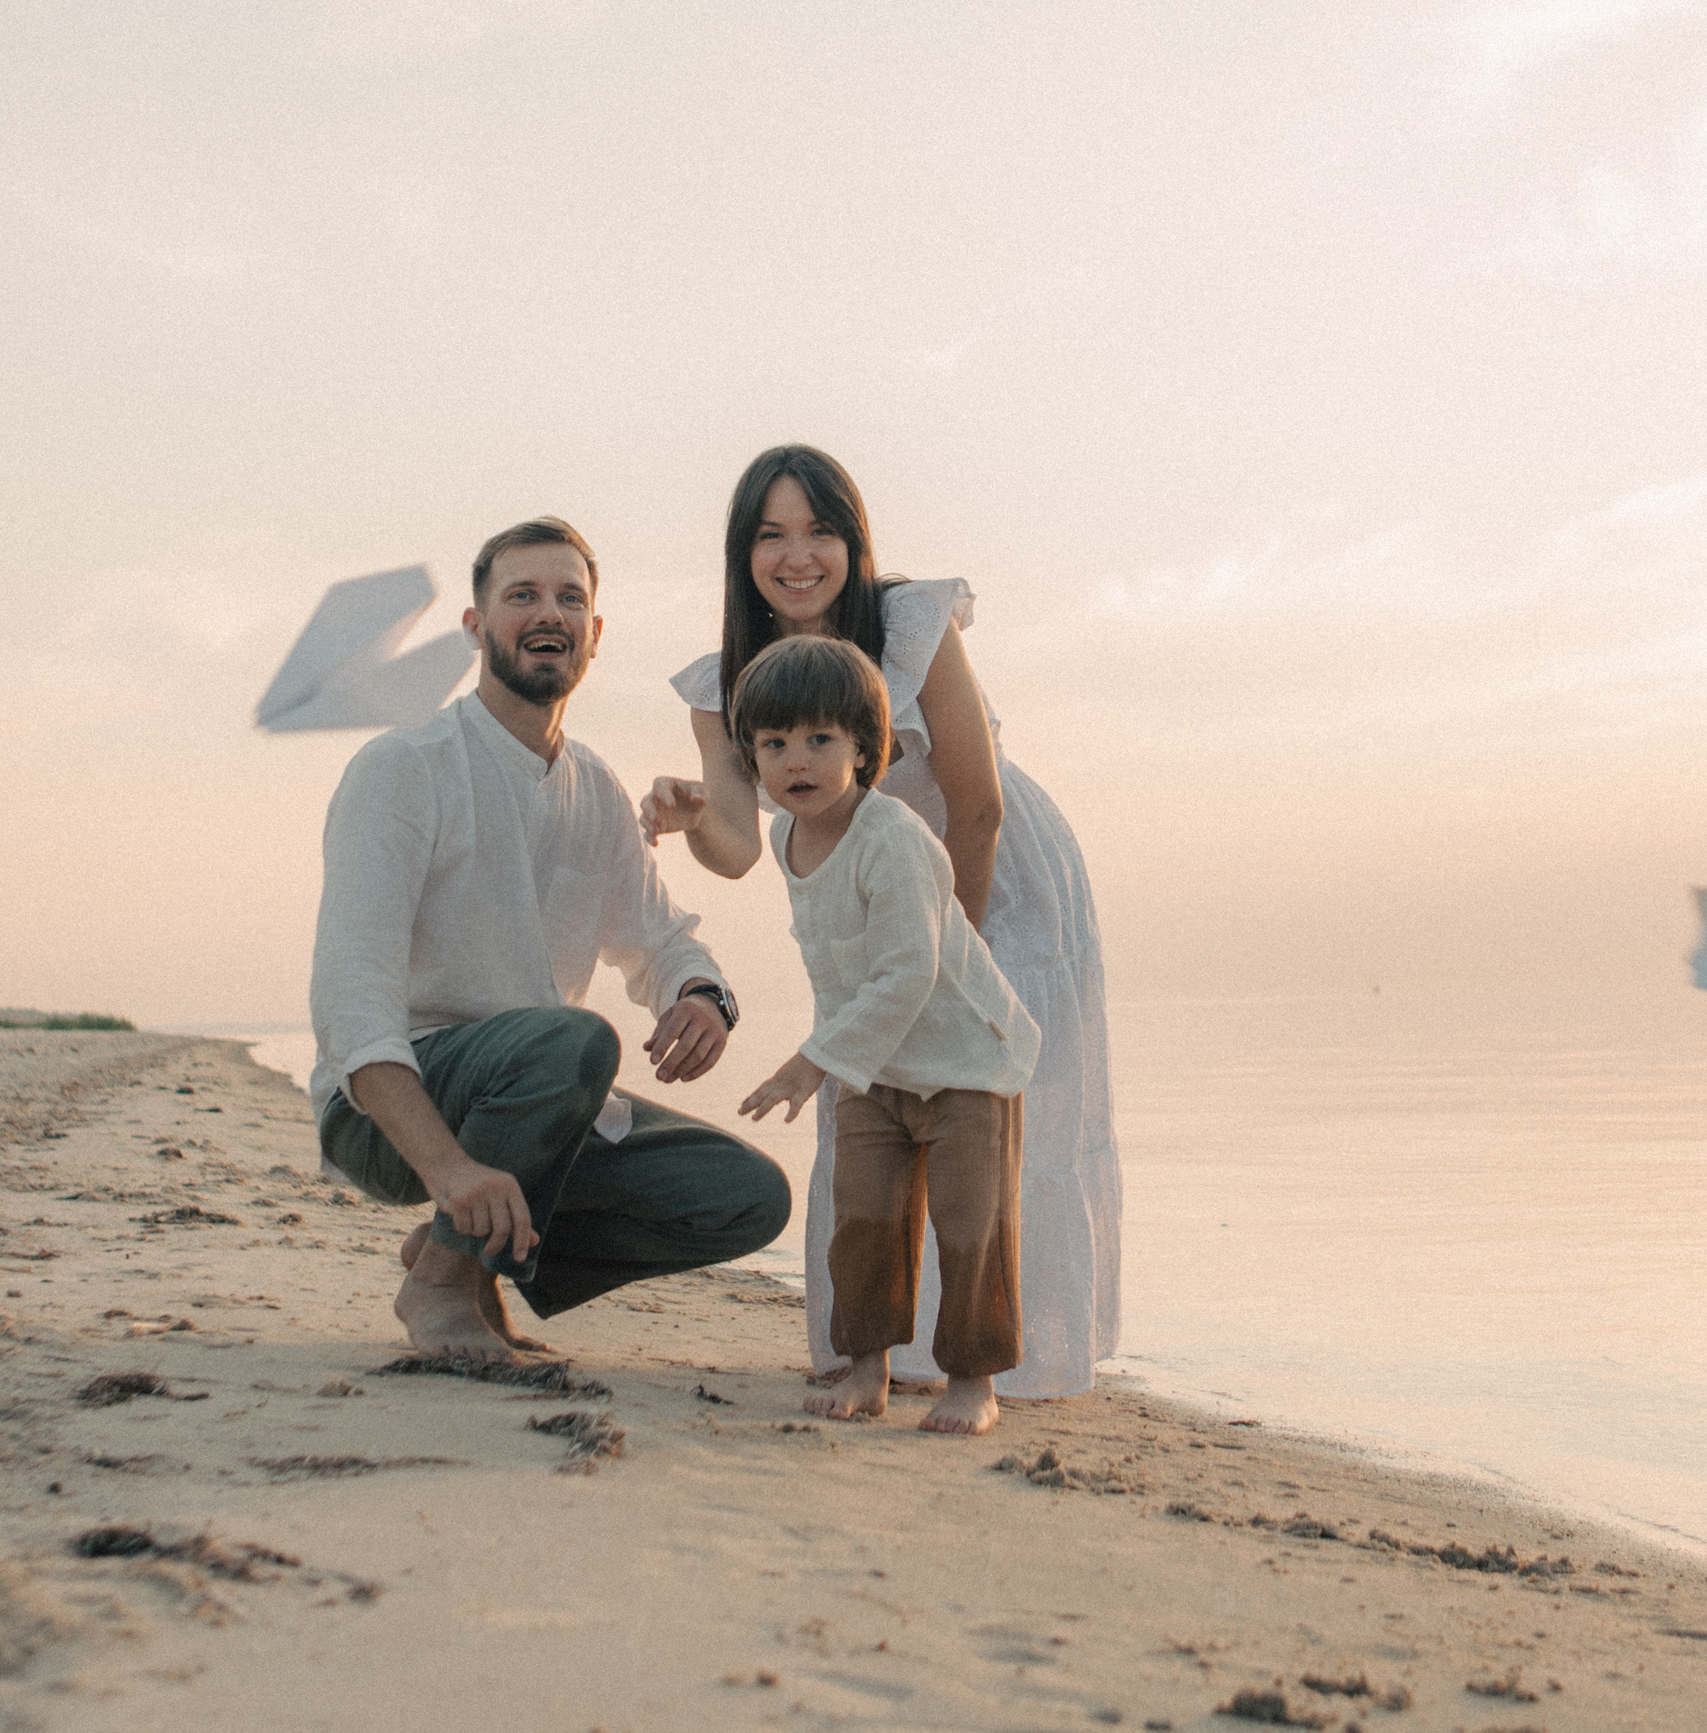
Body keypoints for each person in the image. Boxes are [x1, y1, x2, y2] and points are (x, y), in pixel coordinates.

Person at [646, 444, 1120, 1401]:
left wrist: (962, 957)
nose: (799, 556)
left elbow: (974, 802)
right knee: (873, 1120)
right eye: (771, 535)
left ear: (854, 541)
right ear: (743, 554)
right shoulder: (726, 681)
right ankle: (883, 1353)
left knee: (986, 1111)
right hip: (862, 908)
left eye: (821, 530)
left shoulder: (910, 622)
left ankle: (1001, 1366)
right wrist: (694, 819)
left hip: (993, 876)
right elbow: (739, 846)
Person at [310, 516, 790, 1362]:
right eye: (521, 595)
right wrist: (449, 1173)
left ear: (594, 636)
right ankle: (445, 1288)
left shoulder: (595, 789)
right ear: (475, 626)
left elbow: (661, 939)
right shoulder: (403, 768)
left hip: (539, 1095)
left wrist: (702, 995)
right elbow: (353, 1010)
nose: (549, 613)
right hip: (391, 1109)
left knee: (745, 1196)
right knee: (571, 1042)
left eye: (571, 599)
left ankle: (461, 1252)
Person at [732, 634, 1038, 1436]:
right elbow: (838, 967)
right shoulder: (785, 839)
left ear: (867, 751)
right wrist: (836, 1058)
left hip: (968, 1059)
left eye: (820, 740)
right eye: (774, 744)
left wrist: (810, 1064)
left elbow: (908, 970)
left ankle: (973, 1381)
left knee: (972, 1223)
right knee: (861, 1215)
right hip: (873, 1066)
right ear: (753, 759)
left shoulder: (894, 836)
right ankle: (867, 1368)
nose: (796, 760)